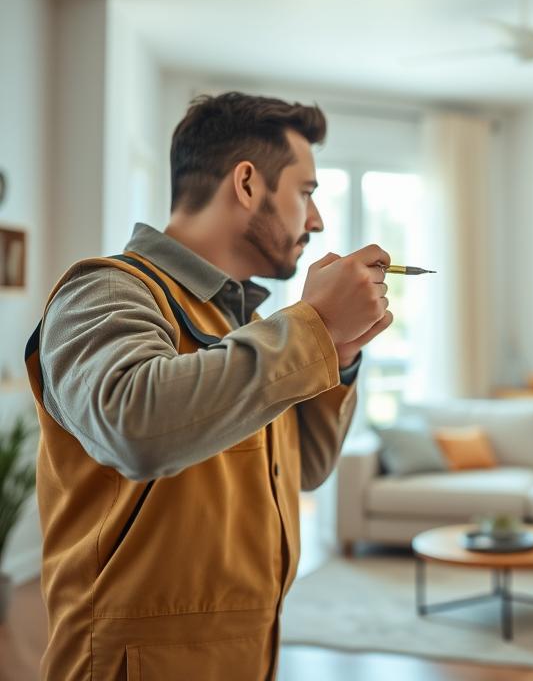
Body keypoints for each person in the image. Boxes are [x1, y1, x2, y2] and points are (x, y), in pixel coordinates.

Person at [23, 92, 393, 680]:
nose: (317, 221)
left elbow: (307, 470)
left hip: (248, 656)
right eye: (307, 193)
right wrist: (313, 327)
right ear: (247, 184)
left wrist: (338, 355)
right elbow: (134, 426)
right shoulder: (107, 291)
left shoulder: (250, 326)